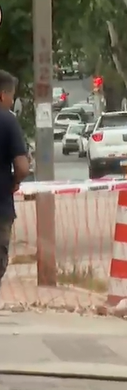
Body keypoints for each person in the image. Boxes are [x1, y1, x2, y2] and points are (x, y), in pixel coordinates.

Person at [0, 70, 30, 288]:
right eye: (11, 95)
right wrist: (15, 181)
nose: (12, 101)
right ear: (2, 95)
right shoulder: (7, 121)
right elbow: (22, 166)